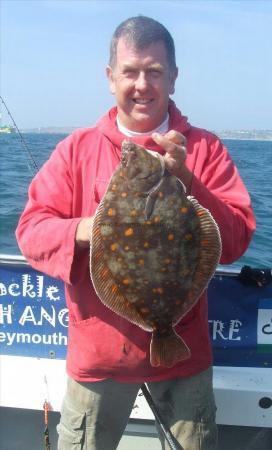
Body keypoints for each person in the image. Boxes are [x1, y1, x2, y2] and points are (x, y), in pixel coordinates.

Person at [16, 16, 256, 450]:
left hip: (183, 353)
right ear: (111, 78)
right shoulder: (76, 150)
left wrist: (189, 181)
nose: (142, 84)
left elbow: (236, 240)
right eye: (130, 71)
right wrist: (90, 230)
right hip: (99, 357)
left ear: (174, 78)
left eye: (155, 71)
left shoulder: (205, 150)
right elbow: (31, 231)